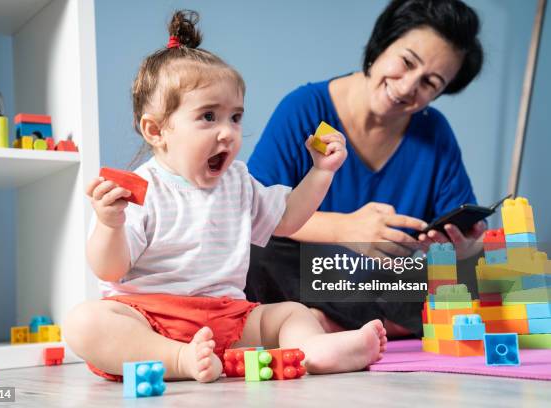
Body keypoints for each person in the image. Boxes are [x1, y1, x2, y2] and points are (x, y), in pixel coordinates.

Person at [64, 10, 387, 384]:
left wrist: (320, 173)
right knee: (85, 323)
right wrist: (109, 223)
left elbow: (287, 219)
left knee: (290, 313)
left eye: (235, 118)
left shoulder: (237, 180)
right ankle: (180, 359)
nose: (228, 133)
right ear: (156, 130)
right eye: (208, 117)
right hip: (150, 319)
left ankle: (312, 350)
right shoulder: (141, 190)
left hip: (228, 317)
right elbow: (109, 270)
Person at [246, 0, 486, 336]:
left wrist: (464, 248)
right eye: (406, 62)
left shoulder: (436, 134)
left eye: (430, 83)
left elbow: (462, 241)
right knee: (257, 254)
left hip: (382, 279)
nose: (406, 88)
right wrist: (345, 230)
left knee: (475, 276)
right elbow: (251, 213)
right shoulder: (304, 109)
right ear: (383, 42)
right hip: (305, 270)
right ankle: (370, 323)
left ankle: (319, 323)